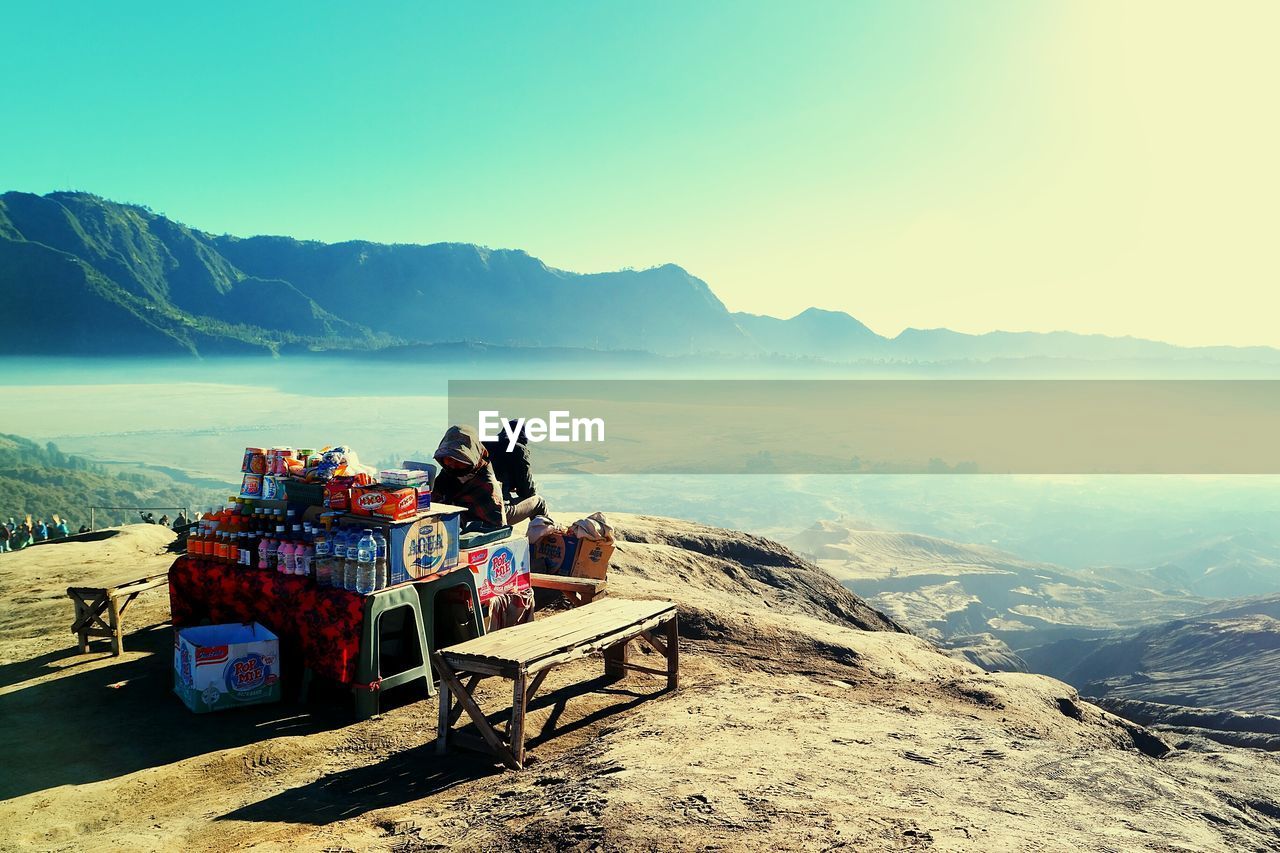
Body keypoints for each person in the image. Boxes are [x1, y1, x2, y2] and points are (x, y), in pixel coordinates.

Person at [432, 425, 506, 529]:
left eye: (458, 460)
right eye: (448, 459)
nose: (453, 465)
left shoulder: (487, 486)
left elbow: (495, 527)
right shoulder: (446, 475)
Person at [482, 419, 548, 525]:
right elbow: (527, 492)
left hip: (470, 509)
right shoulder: (518, 449)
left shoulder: (484, 445)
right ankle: (545, 539)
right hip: (496, 513)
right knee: (539, 502)